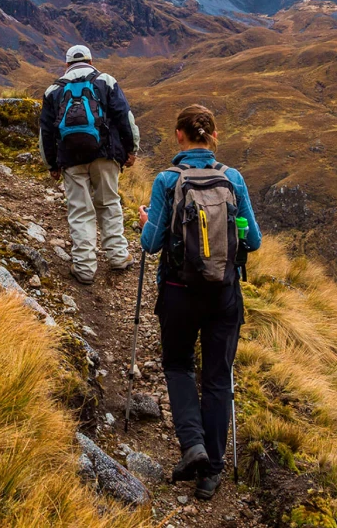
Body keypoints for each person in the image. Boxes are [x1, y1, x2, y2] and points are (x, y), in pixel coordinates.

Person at [138, 104, 261, 500]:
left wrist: (146, 223)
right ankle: (213, 471)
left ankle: (192, 446)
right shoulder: (233, 178)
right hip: (224, 294)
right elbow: (254, 241)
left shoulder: (166, 181)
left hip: (178, 292)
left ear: (179, 136)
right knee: (217, 378)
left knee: (177, 366)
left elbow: (151, 243)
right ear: (212, 136)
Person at [39, 45, 140, 285]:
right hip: (105, 155)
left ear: (66, 65)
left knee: (80, 210)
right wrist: (130, 149)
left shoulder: (53, 89)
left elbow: (45, 132)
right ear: (91, 61)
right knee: (108, 203)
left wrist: (51, 164)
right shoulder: (105, 81)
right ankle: (117, 256)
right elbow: (124, 117)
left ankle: (84, 268)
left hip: (71, 158)